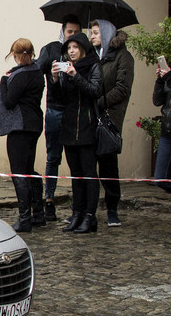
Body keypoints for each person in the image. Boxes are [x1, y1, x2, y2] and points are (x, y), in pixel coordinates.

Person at [52, 32, 102, 234]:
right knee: (76, 175)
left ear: (82, 48)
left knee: (89, 173)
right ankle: (77, 213)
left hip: (87, 126)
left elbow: (94, 91)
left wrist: (75, 76)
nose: (71, 51)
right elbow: (60, 98)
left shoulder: (93, 65)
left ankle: (90, 216)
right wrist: (56, 78)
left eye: (75, 47)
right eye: (68, 48)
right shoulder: (66, 68)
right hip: (69, 126)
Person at [37, 15, 81, 221]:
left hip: (75, 110)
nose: (73, 35)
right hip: (55, 108)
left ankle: (78, 204)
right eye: (70, 31)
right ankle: (49, 199)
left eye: (77, 32)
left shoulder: (84, 53)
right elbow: (37, 71)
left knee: (76, 159)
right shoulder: (52, 49)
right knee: (53, 156)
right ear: (63, 32)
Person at [90, 21, 134, 227]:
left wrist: (98, 102)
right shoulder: (93, 55)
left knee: (108, 164)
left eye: (96, 33)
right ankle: (87, 209)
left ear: (106, 34)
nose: (92, 36)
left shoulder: (122, 57)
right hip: (90, 116)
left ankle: (112, 207)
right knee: (88, 163)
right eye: (91, 33)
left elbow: (122, 88)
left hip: (108, 116)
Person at [0, 38, 44, 232]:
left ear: (15, 54)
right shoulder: (37, 72)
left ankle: (25, 217)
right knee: (29, 169)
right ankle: (39, 213)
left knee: (19, 172)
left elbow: (9, 102)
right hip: (34, 124)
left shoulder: (20, 75)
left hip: (20, 127)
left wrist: (3, 81)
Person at [153, 44, 171, 217]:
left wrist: (169, 79)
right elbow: (157, 101)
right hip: (168, 131)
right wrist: (159, 81)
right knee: (160, 179)